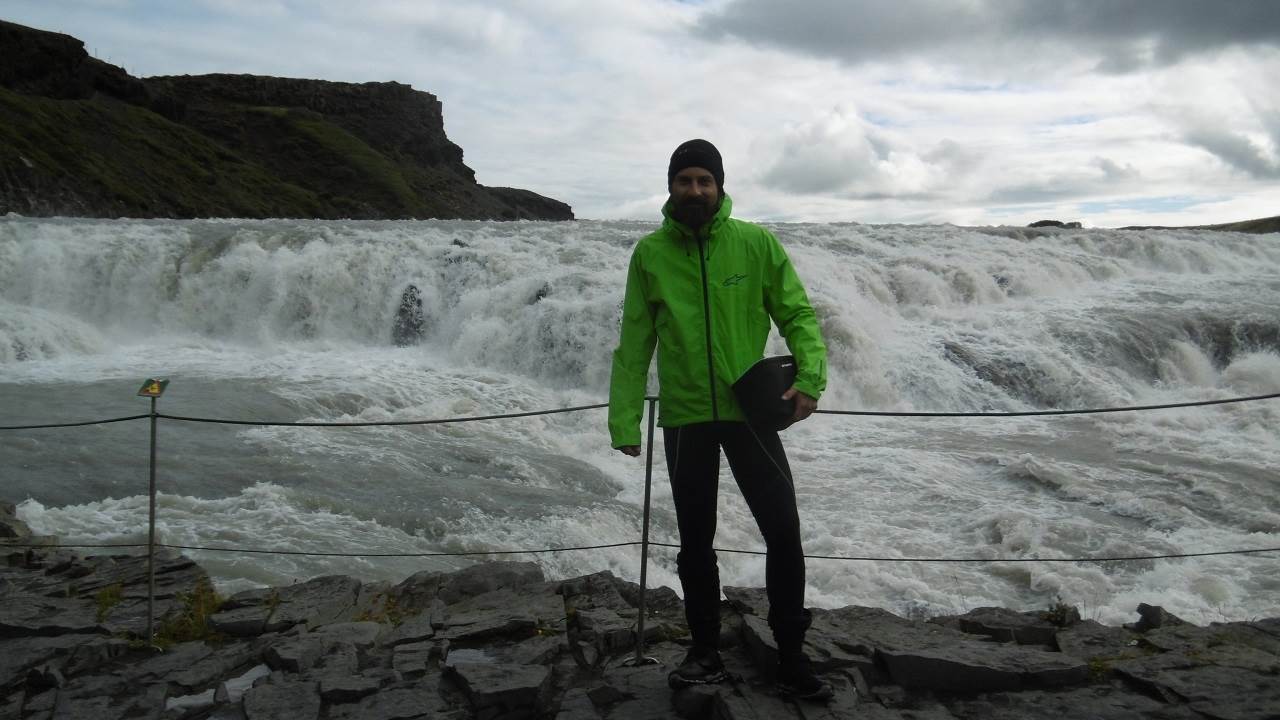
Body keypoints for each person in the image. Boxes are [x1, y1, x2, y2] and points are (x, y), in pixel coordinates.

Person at [608, 139, 832, 701]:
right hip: (685, 418)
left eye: (704, 181)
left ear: (720, 186)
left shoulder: (755, 243)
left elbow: (797, 312)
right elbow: (634, 343)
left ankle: (790, 655)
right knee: (695, 542)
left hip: (749, 411)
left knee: (783, 531)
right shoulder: (650, 254)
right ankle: (704, 651)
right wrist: (624, 421)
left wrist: (810, 378)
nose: (695, 190)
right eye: (684, 180)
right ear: (671, 187)